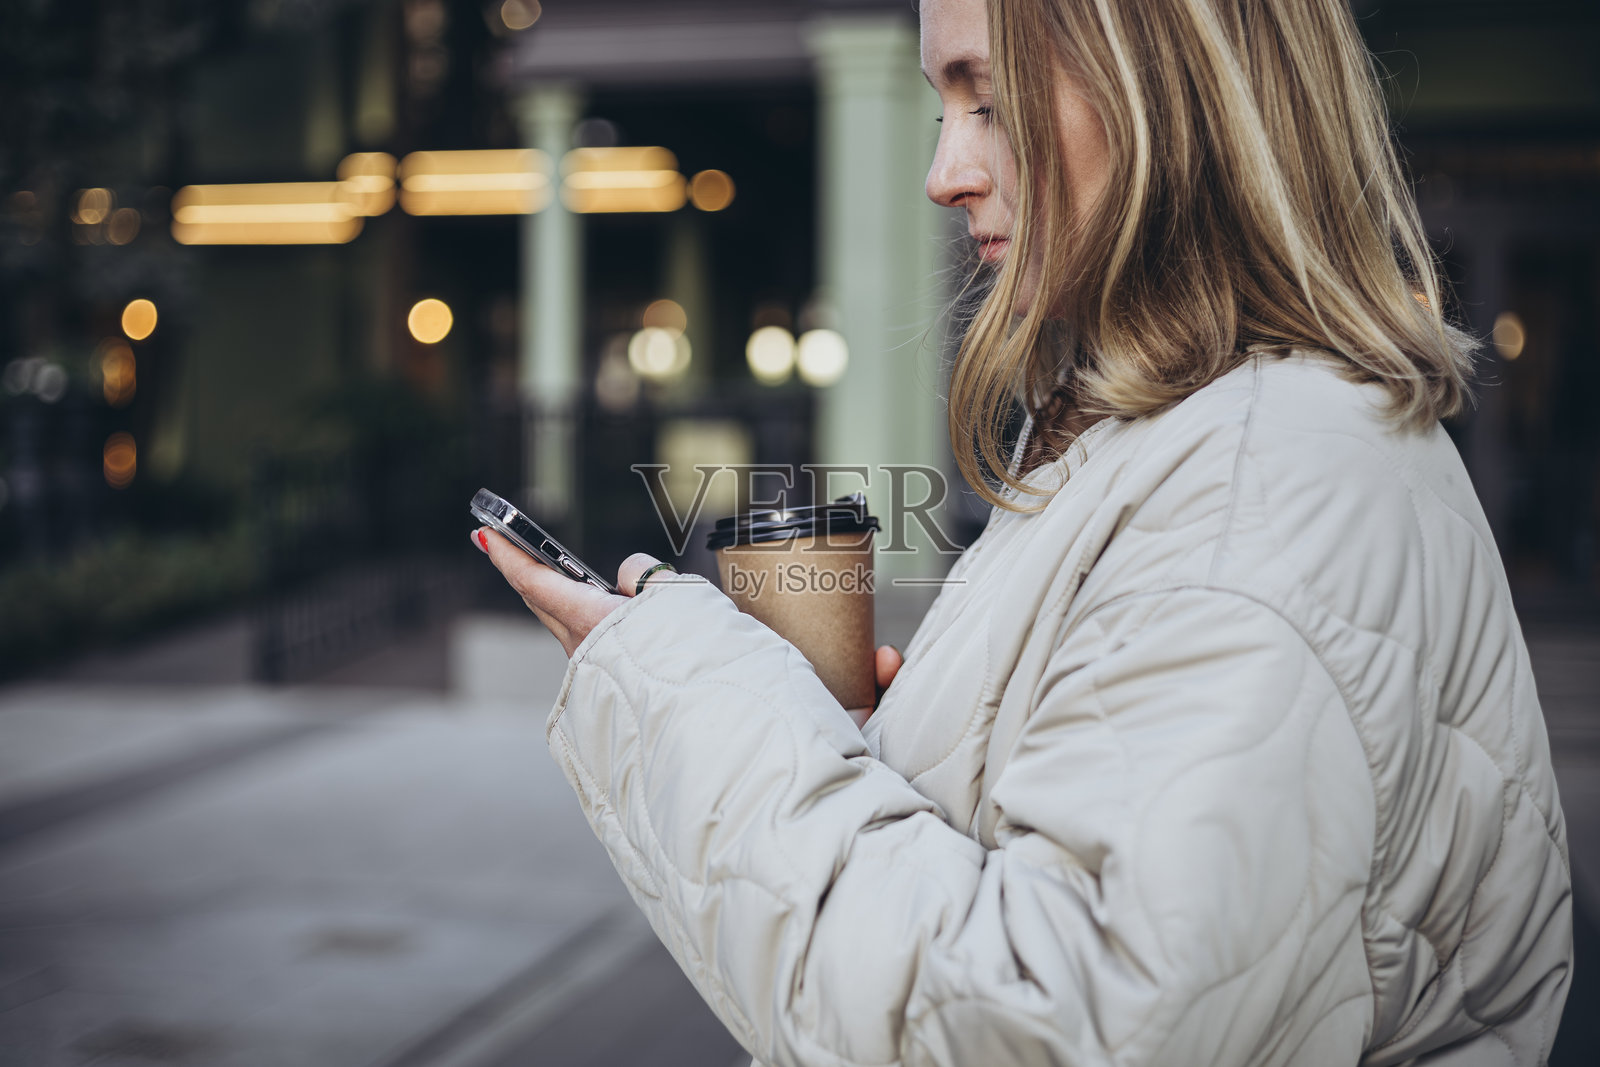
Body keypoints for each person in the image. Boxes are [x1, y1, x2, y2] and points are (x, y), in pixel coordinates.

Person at [474, 0, 1573, 1062]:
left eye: (990, 102)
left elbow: (1043, 1026)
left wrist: (690, 706)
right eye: (941, 107)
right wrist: (888, 752)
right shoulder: (1174, 436)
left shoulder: (1264, 482)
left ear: (1175, 93)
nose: (944, 172)